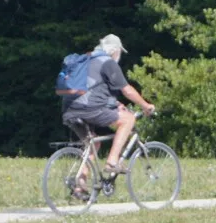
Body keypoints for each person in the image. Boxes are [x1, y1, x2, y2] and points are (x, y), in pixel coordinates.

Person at [61, 34, 155, 189]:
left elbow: (94, 89)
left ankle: (80, 186)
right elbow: (127, 90)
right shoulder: (108, 62)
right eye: (119, 52)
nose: (119, 55)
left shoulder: (86, 59)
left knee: (93, 145)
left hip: (69, 109)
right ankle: (112, 161)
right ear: (114, 50)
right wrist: (146, 105)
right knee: (128, 119)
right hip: (89, 108)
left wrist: (115, 104)